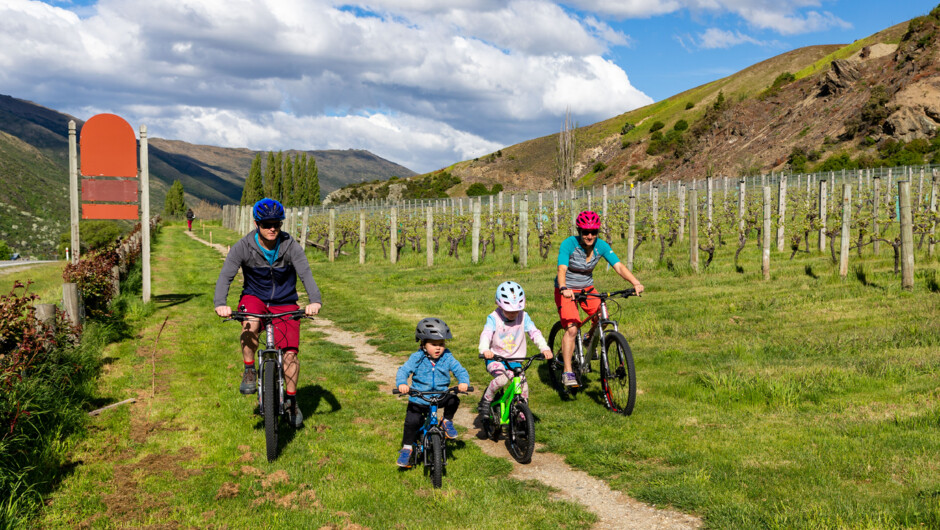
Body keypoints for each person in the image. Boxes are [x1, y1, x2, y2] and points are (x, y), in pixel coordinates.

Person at [214, 198, 321, 428]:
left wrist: (315, 301)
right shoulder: (243, 246)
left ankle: (291, 401)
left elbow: (306, 274)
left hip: (285, 302)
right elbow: (226, 276)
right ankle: (250, 369)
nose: (272, 228)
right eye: (266, 224)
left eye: (277, 223)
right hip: (255, 297)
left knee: (290, 355)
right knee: (249, 322)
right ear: (256, 224)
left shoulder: (290, 245)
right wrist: (220, 303)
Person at [555, 210, 644, 387]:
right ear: (579, 231)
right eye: (586, 232)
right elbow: (562, 269)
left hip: (587, 288)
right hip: (567, 289)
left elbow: (618, 266)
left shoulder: (601, 246)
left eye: (593, 232)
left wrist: (635, 282)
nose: (589, 236)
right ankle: (567, 371)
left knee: (602, 317)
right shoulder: (569, 244)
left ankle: (588, 339)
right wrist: (564, 288)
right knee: (572, 329)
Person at [395, 318, 470, 468]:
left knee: (453, 400)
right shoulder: (417, 357)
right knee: (412, 421)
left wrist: (463, 382)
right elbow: (403, 370)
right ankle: (407, 448)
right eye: (433, 344)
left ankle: (446, 421)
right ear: (422, 344)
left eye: (441, 344)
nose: (438, 348)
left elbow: (460, 370)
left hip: (440, 395)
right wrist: (402, 384)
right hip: (419, 398)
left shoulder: (447, 357)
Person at [477, 281, 552, 418]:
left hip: (516, 361)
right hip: (496, 359)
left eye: (516, 311)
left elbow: (534, 333)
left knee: (523, 386)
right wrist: (484, 349)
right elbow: (486, 334)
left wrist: (544, 348)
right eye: (509, 311)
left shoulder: (524, 317)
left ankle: (522, 417)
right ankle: (486, 400)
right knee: (502, 380)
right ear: (500, 305)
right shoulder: (494, 318)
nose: (513, 314)